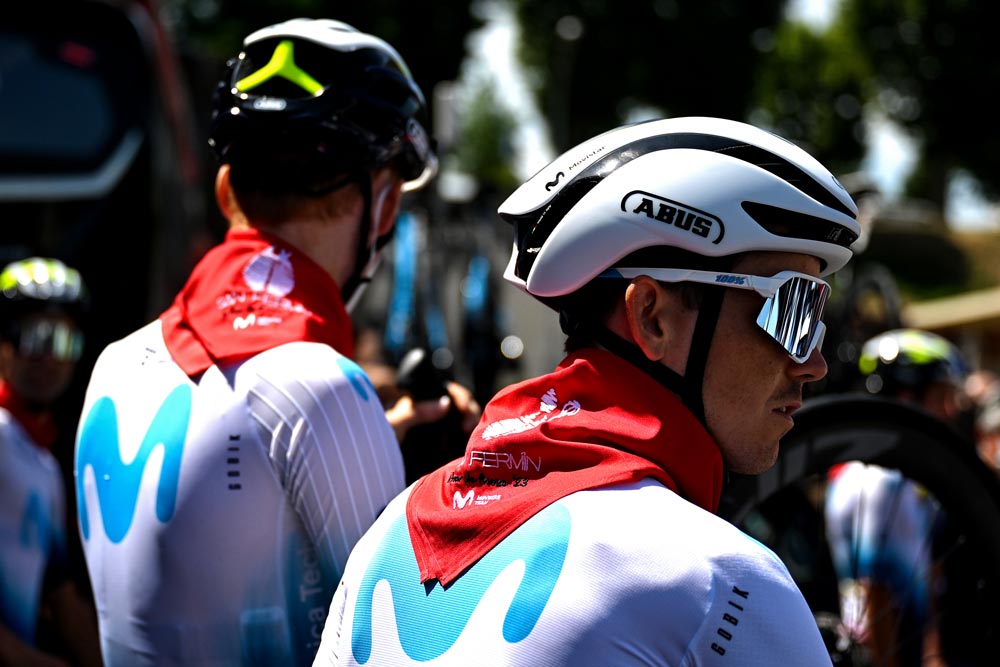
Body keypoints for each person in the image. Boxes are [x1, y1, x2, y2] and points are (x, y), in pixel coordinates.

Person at [312, 116, 863, 666]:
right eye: (793, 308)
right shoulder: (720, 578)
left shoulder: (384, 539)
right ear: (653, 318)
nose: (812, 363)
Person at [73, 18, 476, 667]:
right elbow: (413, 643)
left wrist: (381, 431)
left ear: (225, 189)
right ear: (385, 207)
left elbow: (230, 498)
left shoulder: (114, 364)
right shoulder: (320, 385)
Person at [824, 327, 972, 666]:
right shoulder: (879, 481)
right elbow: (872, 588)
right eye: (942, 396)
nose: (951, 411)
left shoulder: (898, 477)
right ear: (908, 397)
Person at [0, 257, 102, 667]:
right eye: (37, 337)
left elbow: (61, 594)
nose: (51, 358)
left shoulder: (42, 458)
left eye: (64, 341)